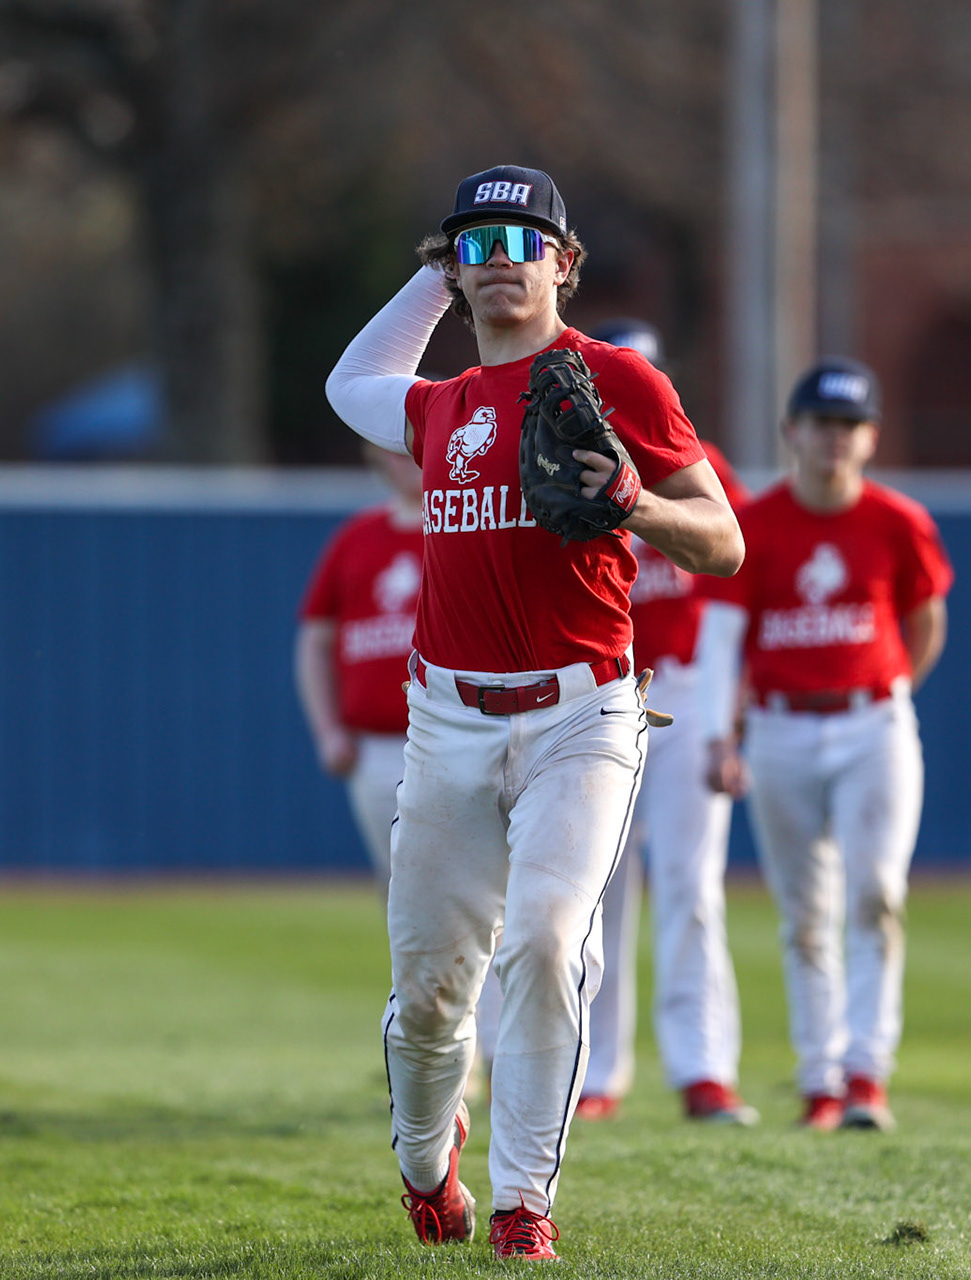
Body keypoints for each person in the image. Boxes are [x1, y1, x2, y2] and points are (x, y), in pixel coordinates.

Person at [324, 165, 743, 1260]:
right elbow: (347, 382)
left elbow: (726, 539)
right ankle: (429, 1164)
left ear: (564, 261)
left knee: (553, 940)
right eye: (474, 242)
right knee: (429, 995)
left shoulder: (616, 384)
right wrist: (431, 276)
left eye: (521, 236)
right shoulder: (439, 407)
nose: (499, 254)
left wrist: (635, 503)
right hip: (447, 721)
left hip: (583, 712)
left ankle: (522, 1199)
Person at [694, 358, 951, 1133]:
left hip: (873, 720)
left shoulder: (897, 520)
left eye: (848, 427)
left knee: (877, 896)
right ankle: (820, 1082)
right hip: (778, 725)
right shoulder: (760, 523)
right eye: (820, 424)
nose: (833, 440)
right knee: (805, 912)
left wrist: (889, 687)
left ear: (869, 438)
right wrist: (719, 734)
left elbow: (926, 621)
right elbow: (723, 637)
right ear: (791, 432)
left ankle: (866, 1074)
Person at [571, 319, 756, 1127]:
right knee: (593, 890)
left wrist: (729, 724)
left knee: (690, 883)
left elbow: (734, 608)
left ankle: (703, 1069)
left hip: (684, 685)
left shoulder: (697, 470)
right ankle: (595, 1072)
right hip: (595, 688)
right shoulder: (561, 463)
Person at [294, 442, 426, 886]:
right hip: (376, 747)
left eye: (417, 449)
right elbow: (315, 643)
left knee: (470, 890)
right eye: (395, 451)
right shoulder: (357, 536)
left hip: (456, 739)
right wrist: (328, 731)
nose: (407, 461)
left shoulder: (463, 531)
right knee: (399, 891)